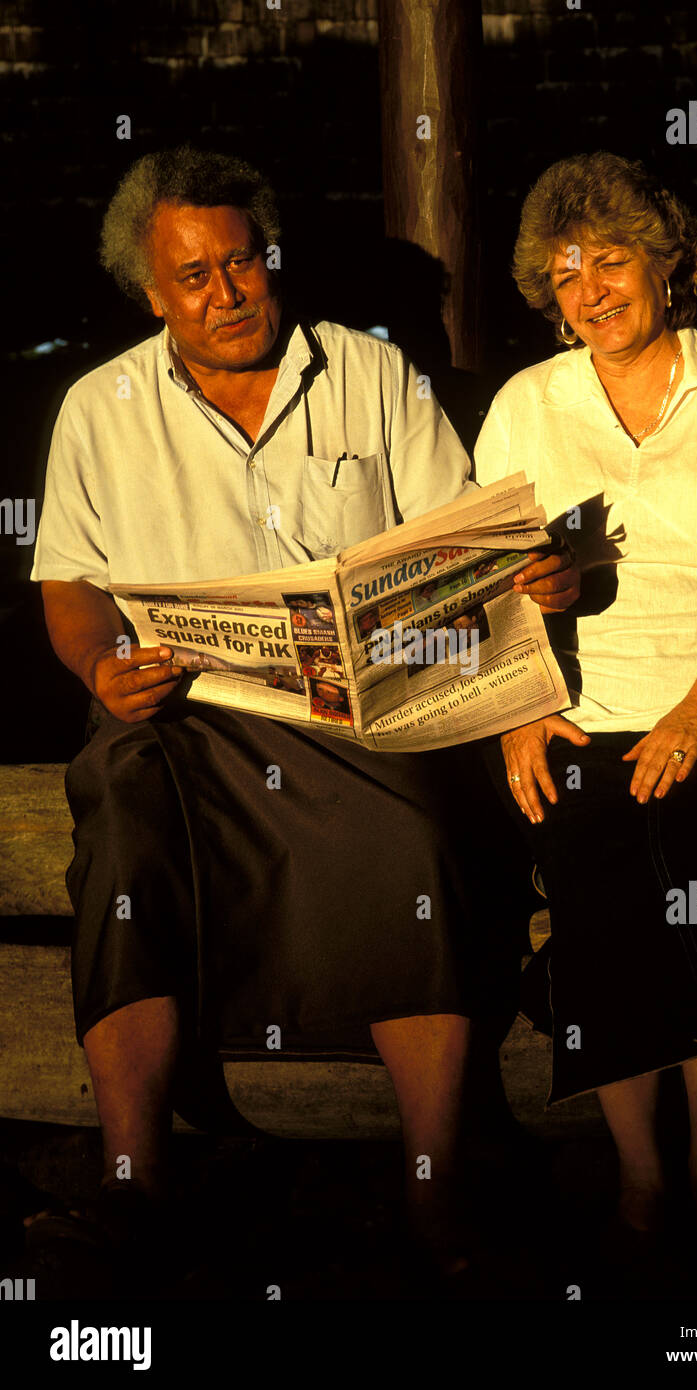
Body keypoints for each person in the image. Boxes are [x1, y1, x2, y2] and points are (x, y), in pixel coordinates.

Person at [29, 146, 578, 1289]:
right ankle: (133, 1181)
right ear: (150, 290)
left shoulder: (369, 377)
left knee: (414, 842)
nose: (226, 294)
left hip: (347, 712)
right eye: (194, 277)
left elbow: (449, 544)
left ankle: (434, 1185)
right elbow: (70, 581)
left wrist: (510, 583)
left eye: (243, 264)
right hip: (176, 705)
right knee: (123, 817)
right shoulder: (99, 406)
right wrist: (103, 664)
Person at [475, 151, 697, 1247]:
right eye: (564, 272)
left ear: (668, 264)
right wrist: (522, 703)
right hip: (582, 691)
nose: (588, 289)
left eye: (611, 261)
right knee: (591, 846)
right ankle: (637, 1172)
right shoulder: (527, 405)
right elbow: (476, 579)